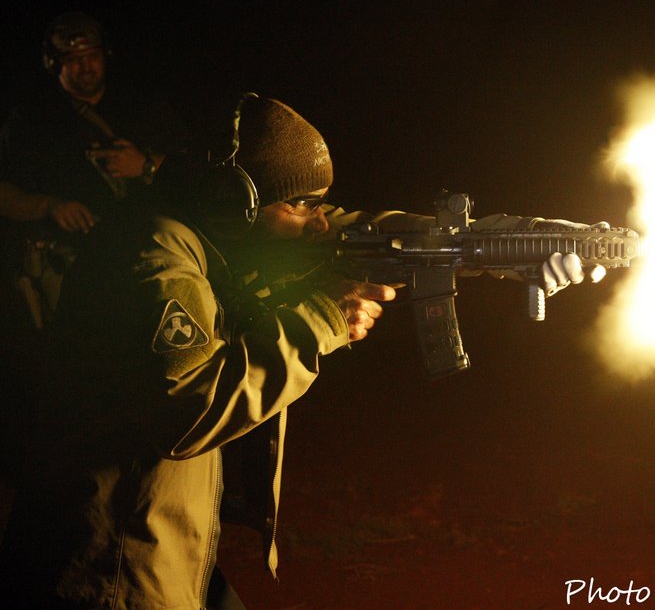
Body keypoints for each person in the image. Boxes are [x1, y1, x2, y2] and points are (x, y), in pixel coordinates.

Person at [0, 94, 596, 608]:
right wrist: (323, 319)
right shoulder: (153, 255)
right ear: (237, 203)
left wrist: (504, 246)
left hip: (159, 543)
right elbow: (188, 407)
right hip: (107, 565)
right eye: (303, 204)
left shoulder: (216, 229)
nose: (319, 222)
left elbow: (363, 227)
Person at [0, 11, 187, 328]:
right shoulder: (30, 121)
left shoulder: (142, 106)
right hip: (73, 268)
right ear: (54, 63)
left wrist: (144, 164)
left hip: (150, 257)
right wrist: (50, 206)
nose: (86, 66)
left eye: (93, 56)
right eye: (74, 59)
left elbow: (194, 167)